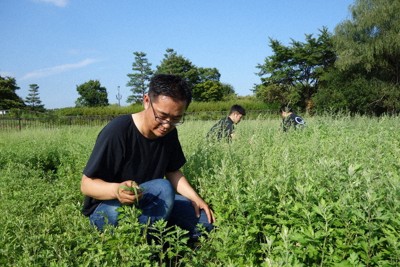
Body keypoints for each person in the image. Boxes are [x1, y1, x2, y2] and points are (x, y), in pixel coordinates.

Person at [80, 74, 215, 241]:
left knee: (204, 221)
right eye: (161, 115)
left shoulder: (169, 133)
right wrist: (116, 190)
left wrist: (196, 198)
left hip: (149, 200)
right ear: (146, 101)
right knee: (164, 188)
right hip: (108, 206)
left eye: (176, 118)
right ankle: (147, 245)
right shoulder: (118, 131)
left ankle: (154, 232)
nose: (167, 124)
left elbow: (173, 171)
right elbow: (86, 185)